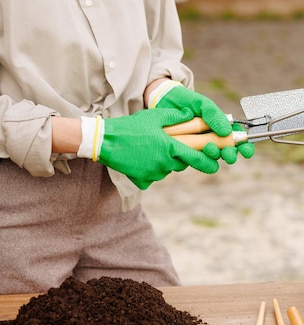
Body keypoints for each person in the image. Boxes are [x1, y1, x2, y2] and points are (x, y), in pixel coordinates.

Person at [0, 1, 253, 294]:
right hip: (13, 210)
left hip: (114, 199)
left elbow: (155, 44)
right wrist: (93, 137)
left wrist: (160, 89)